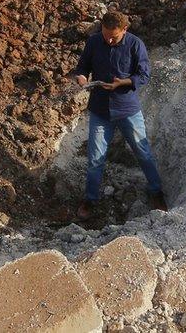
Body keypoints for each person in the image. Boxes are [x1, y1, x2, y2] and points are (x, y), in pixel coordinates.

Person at [71, 11, 166, 220]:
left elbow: (144, 74)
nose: (109, 39)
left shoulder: (135, 44)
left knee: (143, 152)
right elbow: (82, 66)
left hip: (127, 109)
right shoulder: (94, 42)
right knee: (95, 159)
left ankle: (156, 192)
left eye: (114, 36)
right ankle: (90, 199)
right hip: (100, 110)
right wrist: (81, 77)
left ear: (124, 29)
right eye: (106, 34)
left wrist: (121, 83)